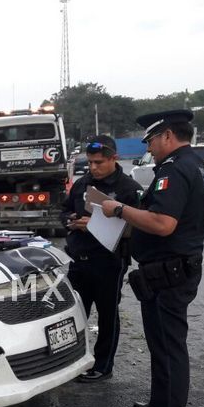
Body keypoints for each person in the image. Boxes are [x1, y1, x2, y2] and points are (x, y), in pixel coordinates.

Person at [100, 110, 204, 407]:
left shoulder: (176, 169)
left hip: (171, 273)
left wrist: (117, 210)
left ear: (166, 135)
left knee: (168, 348)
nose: (149, 148)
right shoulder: (194, 164)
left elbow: (163, 223)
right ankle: (160, 405)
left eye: (150, 140)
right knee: (161, 345)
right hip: (169, 271)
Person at [60, 135, 140, 383]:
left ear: (113, 158)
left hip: (108, 262)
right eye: (90, 162)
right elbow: (63, 210)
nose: (93, 167)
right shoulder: (82, 183)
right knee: (74, 315)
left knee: (107, 316)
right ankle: (73, 361)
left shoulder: (128, 188)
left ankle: (103, 366)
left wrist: (93, 225)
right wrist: (70, 220)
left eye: (99, 162)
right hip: (79, 260)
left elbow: (135, 226)